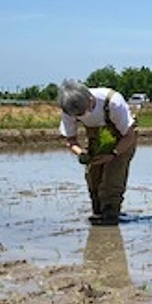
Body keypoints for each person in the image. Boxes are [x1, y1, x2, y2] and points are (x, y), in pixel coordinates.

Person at [57, 79, 138, 226]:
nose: (81, 116)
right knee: (92, 178)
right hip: (97, 140)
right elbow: (70, 140)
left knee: (113, 179)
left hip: (122, 139)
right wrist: (81, 153)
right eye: (78, 115)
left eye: (83, 111)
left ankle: (111, 216)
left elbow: (129, 136)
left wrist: (113, 154)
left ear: (90, 98)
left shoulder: (113, 102)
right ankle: (98, 212)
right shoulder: (69, 109)